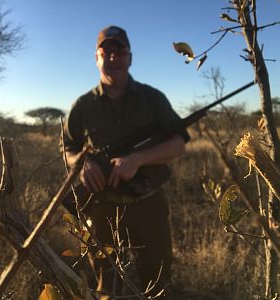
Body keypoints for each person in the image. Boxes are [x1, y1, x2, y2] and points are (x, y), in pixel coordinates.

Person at [62, 25, 190, 299]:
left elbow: (178, 144)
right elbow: (67, 148)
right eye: (106, 50)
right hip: (101, 209)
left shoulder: (153, 98)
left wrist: (138, 159)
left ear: (129, 57)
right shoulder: (82, 106)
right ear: (96, 57)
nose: (113, 56)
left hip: (148, 204)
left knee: (157, 281)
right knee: (105, 282)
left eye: (120, 50)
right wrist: (82, 164)